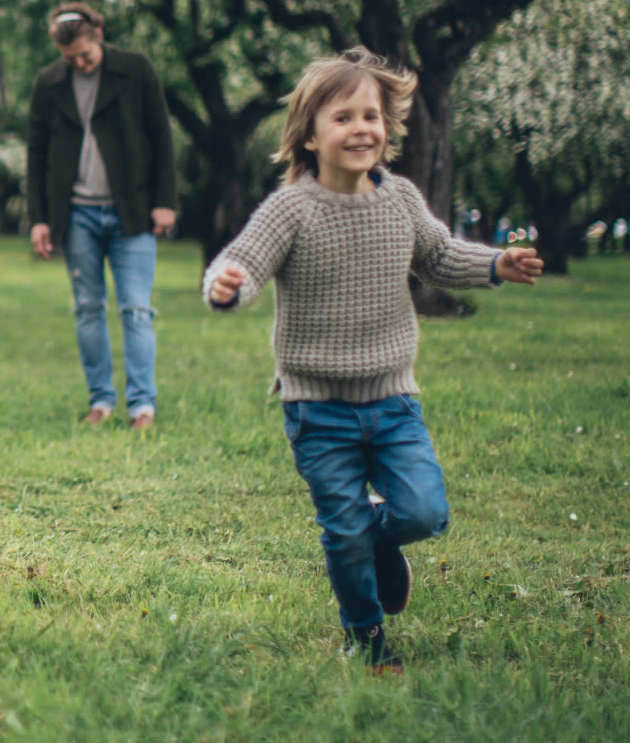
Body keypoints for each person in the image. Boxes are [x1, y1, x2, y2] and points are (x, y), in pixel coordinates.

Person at [201, 47, 544, 674]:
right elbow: (244, 262)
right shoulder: (291, 209)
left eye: (372, 115)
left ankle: (382, 545)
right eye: (343, 117)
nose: (362, 128)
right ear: (309, 135)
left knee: (424, 511)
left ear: (387, 127)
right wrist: (228, 285)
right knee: (343, 529)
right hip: (317, 408)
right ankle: (366, 635)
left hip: (392, 400)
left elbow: (440, 257)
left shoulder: (402, 201)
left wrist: (495, 264)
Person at [25, 2, 177, 429]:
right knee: (88, 308)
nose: (79, 63)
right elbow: (36, 153)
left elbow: (160, 134)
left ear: (98, 36)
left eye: (85, 54)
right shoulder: (49, 83)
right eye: (69, 57)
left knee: (135, 308)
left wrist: (165, 200)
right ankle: (101, 401)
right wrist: (39, 217)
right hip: (76, 214)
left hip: (133, 211)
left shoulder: (135, 69)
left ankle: (142, 405)